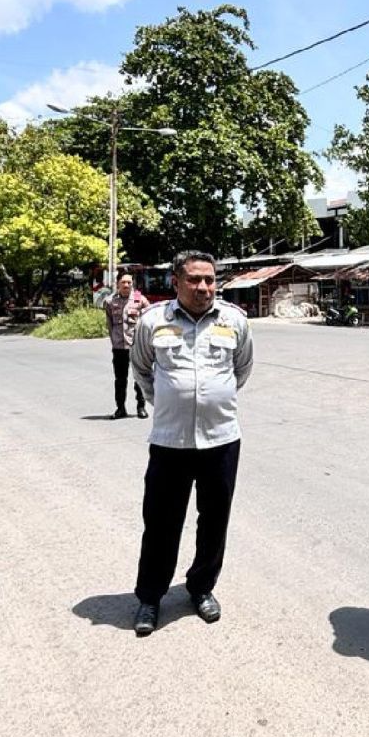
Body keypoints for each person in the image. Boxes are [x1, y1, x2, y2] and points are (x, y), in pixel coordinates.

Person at [130, 250, 253, 635]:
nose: (204, 287)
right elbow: (142, 368)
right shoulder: (153, 321)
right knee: (161, 522)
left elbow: (241, 369)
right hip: (170, 441)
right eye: (195, 280)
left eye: (210, 280)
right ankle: (150, 597)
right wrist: (171, 401)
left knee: (214, 521)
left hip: (221, 439)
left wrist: (213, 399)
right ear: (177, 282)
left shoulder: (234, 320)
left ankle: (201, 588)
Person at [105, 272, 150, 419]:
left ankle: (141, 407)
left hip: (136, 346)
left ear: (132, 284)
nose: (126, 285)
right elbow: (110, 323)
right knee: (120, 379)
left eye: (129, 283)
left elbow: (148, 321)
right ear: (118, 283)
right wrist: (114, 340)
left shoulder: (140, 300)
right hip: (119, 347)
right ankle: (120, 408)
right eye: (123, 282)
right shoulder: (110, 301)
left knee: (139, 378)